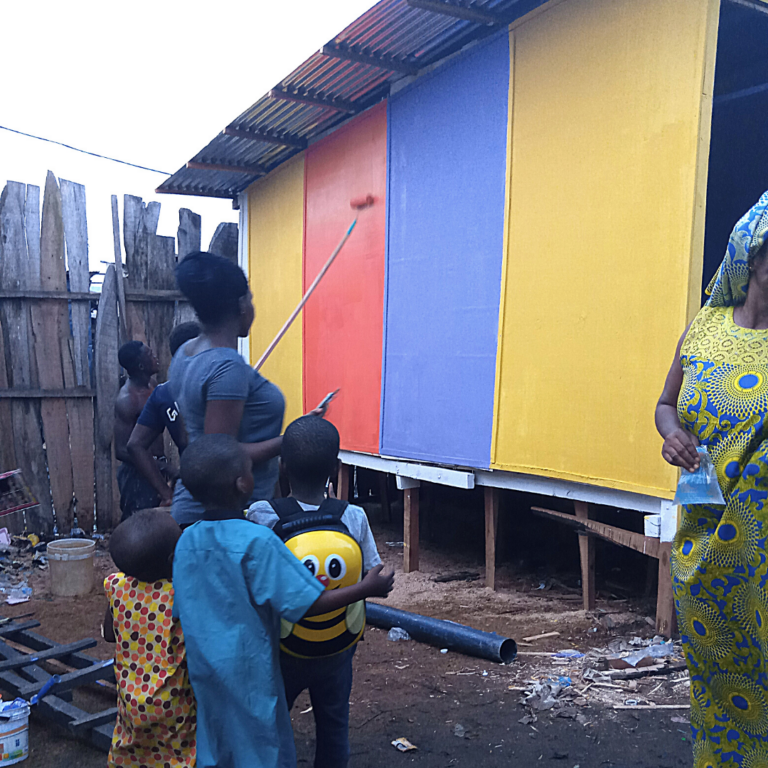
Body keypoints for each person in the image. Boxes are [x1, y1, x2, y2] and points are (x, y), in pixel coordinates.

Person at [172, 434, 394, 768]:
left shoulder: (188, 539)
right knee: (273, 738)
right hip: (263, 658)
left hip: (205, 663)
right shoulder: (258, 539)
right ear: (244, 482)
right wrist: (367, 589)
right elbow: (306, 603)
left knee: (218, 731)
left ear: (282, 467)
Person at [656, 190, 768, 767]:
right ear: (754, 261)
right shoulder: (705, 327)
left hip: (761, 554)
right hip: (703, 541)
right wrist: (671, 434)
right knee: (716, 677)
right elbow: (664, 404)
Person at [248, 415, 381, 768]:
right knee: (335, 726)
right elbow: (372, 572)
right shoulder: (353, 516)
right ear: (335, 468)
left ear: (282, 465)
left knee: (274, 724)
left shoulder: (262, 515)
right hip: (338, 647)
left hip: (282, 647)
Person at [168, 251, 324, 528]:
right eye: (251, 298)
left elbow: (190, 434)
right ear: (241, 305)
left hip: (199, 511)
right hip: (226, 520)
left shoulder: (186, 353)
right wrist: (292, 437)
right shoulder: (227, 366)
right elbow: (220, 457)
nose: (253, 306)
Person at [103, 509, 196, 768]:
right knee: (178, 750)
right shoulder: (180, 592)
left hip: (131, 697)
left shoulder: (115, 586)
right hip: (173, 697)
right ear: (172, 559)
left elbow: (109, 634)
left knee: (134, 749)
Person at [127, 322, 200, 507]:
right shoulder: (222, 385)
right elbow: (131, 447)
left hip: (191, 491)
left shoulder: (161, 392)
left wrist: (166, 493)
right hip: (228, 492)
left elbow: (135, 445)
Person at [114, 341, 164, 520]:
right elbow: (120, 451)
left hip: (157, 467)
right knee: (138, 523)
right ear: (141, 366)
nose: (155, 357)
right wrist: (157, 465)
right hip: (136, 475)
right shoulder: (127, 400)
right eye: (150, 355)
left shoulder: (152, 385)